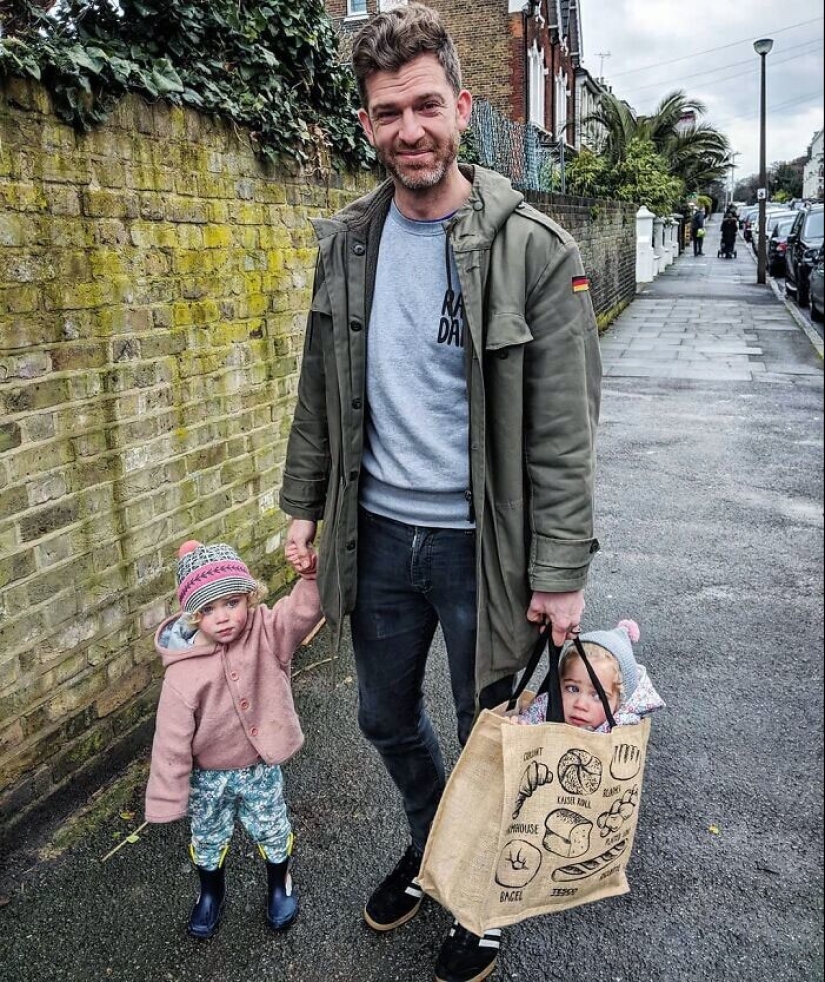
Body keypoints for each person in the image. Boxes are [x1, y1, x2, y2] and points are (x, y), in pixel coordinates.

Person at [279, 5, 600, 979]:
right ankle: (434, 844)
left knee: (488, 735)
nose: (409, 129)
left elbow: (564, 429)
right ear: (367, 124)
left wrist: (561, 572)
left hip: (483, 548)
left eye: (426, 105)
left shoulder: (533, 248)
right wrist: (303, 503)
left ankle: (481, 896)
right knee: (381, 715)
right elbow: (318, 386)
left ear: (461, 108)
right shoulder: (349, 242)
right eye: (387, 112)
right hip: (377, 535)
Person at [144, 540, 321, 939]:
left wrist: (310, 574)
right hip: (208, 778)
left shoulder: (268, 633)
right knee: (207, 837)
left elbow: (303, 610)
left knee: (272, 828)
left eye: (231, 603)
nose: (222, 618)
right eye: (207, 610)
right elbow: (170, 738)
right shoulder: (182, 671)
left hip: (259, 768)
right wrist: (167, 795)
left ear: (249, 597)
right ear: (192, 616)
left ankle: (280, 884)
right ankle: (210, 893)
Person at [515, 620, 665, 730]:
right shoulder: (548, 705)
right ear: (558, 683)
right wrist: (521, 725)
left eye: (598, 696)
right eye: (572, 689)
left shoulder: (621, 725)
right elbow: (530, 719)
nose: (580, 705)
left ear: (620, 702)